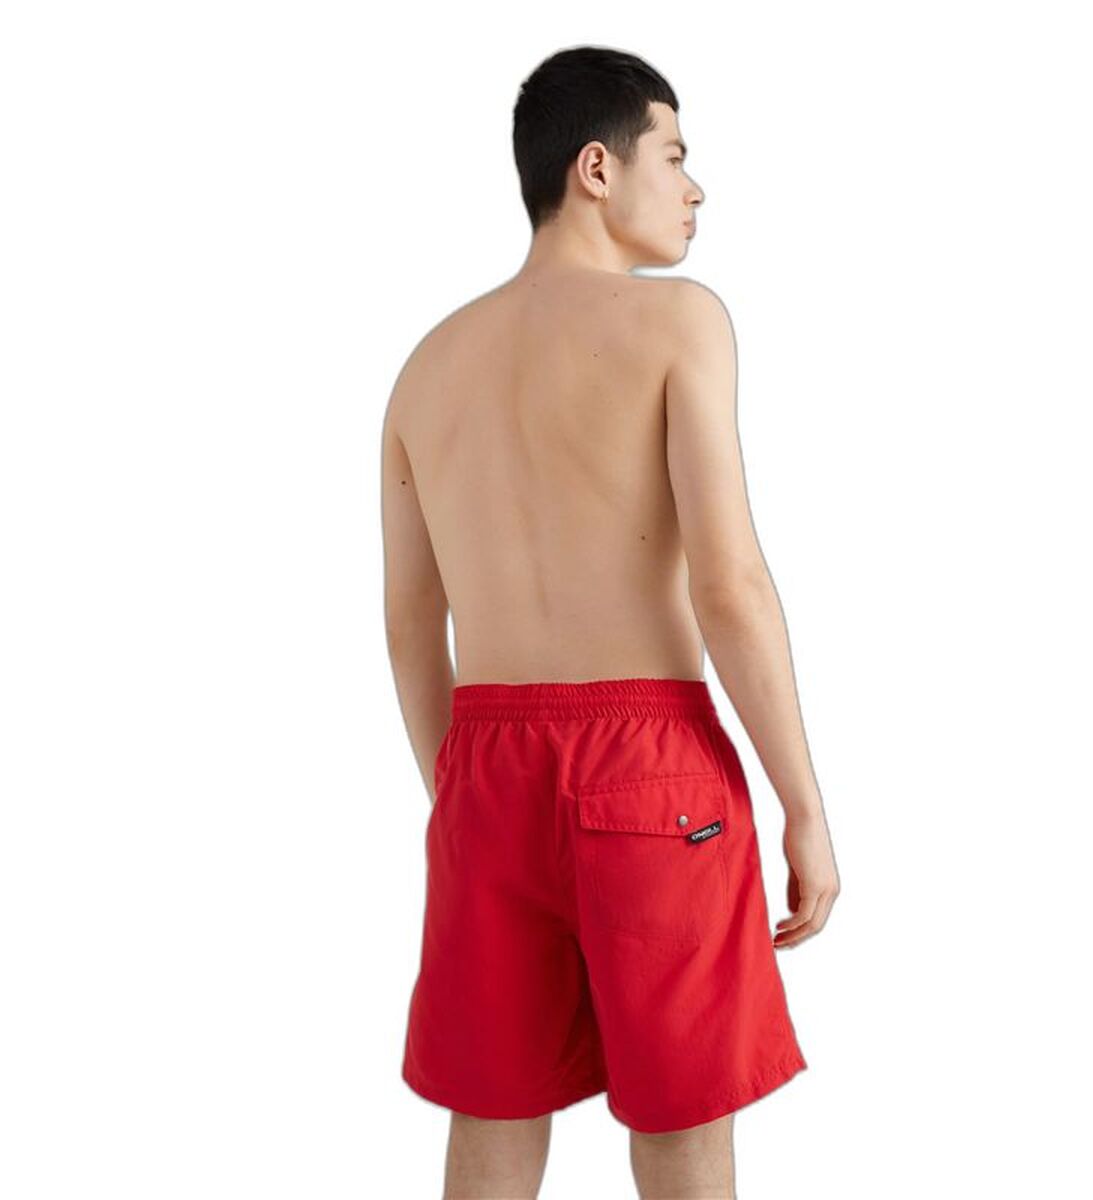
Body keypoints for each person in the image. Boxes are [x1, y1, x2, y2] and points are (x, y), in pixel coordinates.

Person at [381, 45, 839, 1200]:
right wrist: (804, 804)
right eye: (674, 156)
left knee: (494, 1113)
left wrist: (460, 798)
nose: (694, 187)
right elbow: (730, 584)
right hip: (650, 765)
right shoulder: (680, 322)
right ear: (597, 167)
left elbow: (410, 625)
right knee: (681, 1119)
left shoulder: (426, 368)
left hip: (483, 768)